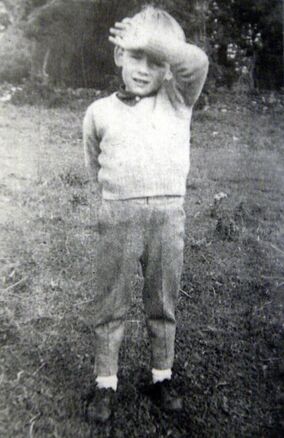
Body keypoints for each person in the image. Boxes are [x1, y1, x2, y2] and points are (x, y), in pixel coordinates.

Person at [83, 5, 208, 423]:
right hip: (118, 215)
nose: (143, 69)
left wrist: (150, 42)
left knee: (162, 300)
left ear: (169, 69)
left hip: (167, 216)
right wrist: (112, 201)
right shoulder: (99, 111)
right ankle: (105, 382)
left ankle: (161, 375)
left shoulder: (178, 101)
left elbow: (197, 60)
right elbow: (93, 164)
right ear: (119, 55)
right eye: (135, 57)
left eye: (155, 62)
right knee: (111, 302)